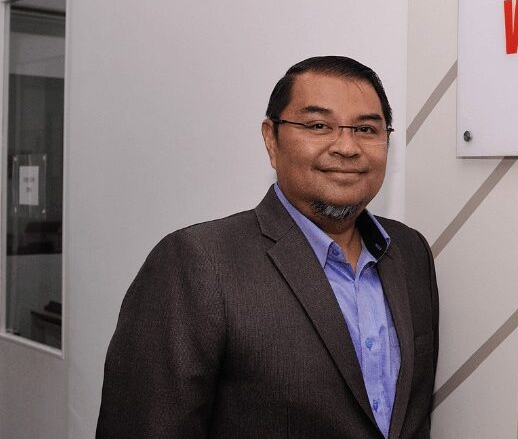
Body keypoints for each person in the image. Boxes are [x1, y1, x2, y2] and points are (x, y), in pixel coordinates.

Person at [97, 56, 438, 439]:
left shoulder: (410, 252)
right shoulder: (197, 262)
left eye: (365, 129)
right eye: (318, 126)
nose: (346, 146)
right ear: (271, 140)